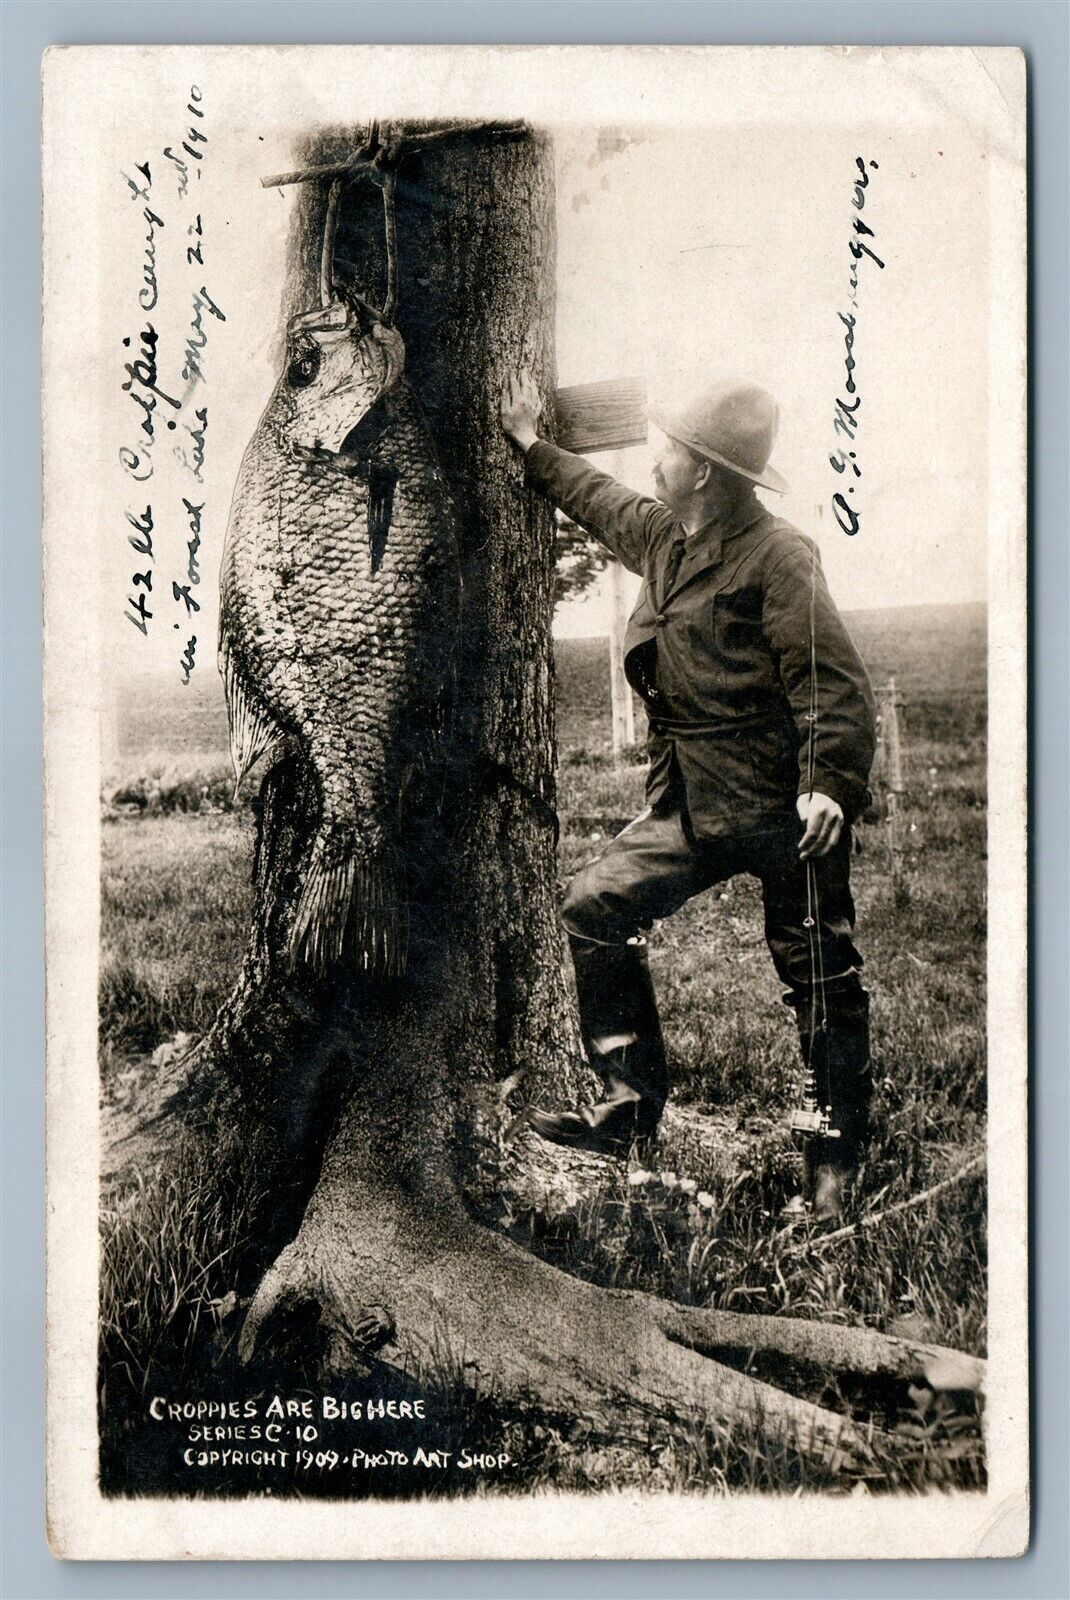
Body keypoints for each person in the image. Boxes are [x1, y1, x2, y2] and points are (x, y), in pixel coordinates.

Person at [500, 372, 878, 1222]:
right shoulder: (667, 535)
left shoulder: (779, 556)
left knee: (820, 975)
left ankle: (833, 1168)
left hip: (787, 811)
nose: (653, 460)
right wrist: (531, 446)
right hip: (690, 802)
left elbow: (831, 683)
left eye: (665, 449)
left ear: (704, 469)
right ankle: (628, 1110)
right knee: (593, 907)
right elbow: (597, 498)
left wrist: (828, 787)